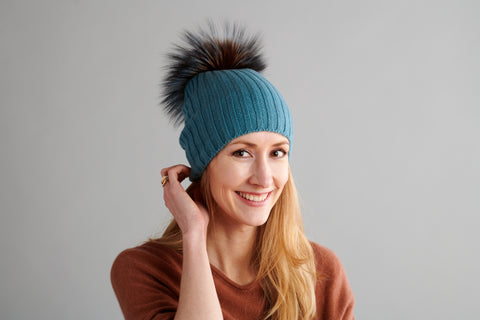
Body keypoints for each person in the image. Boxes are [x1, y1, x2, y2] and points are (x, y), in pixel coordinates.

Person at [111, 24, 355, 320]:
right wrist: (193, 233)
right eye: (242, 153)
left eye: (277, 152)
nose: (264, 178)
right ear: (204, 164)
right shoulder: (144, 269)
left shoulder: (321, 271)